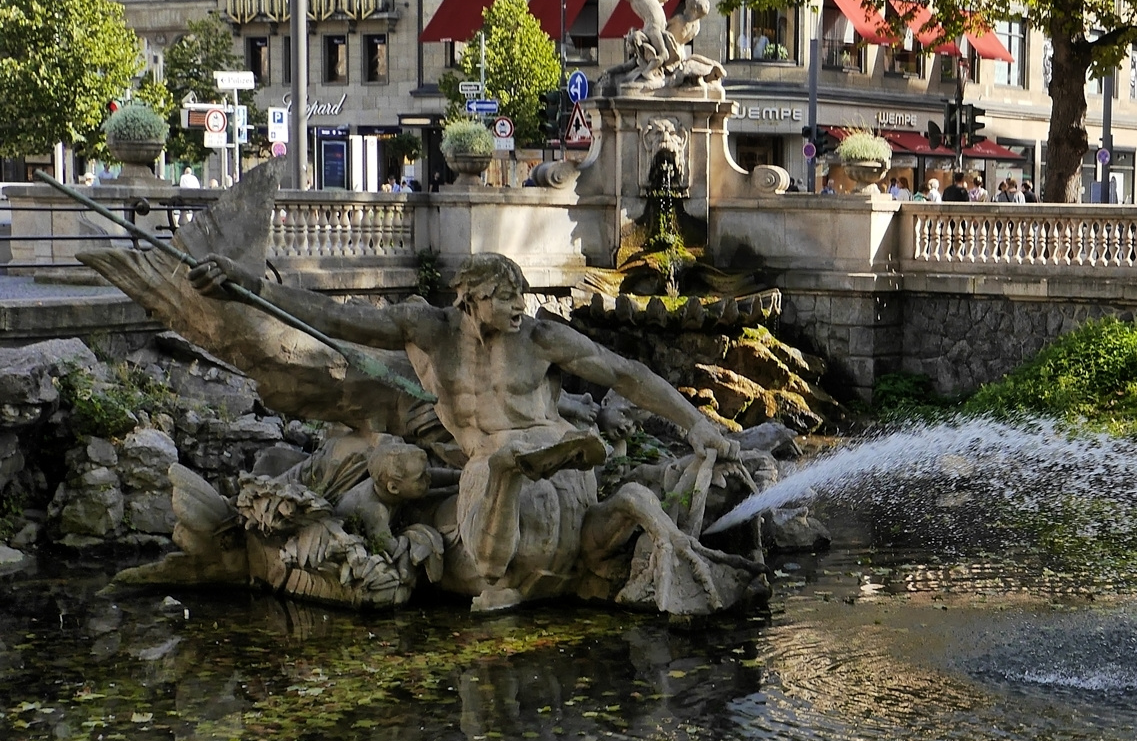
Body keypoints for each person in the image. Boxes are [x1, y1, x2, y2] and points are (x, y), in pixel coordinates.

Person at [188, 251, 743, 613]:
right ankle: (506, 496)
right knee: (486, 513)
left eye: (521, 296)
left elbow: (626, 372)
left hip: (559, 473)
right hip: (485, 465)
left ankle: (539, 488)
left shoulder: (540, 339)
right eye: (506, 298)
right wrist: (243, 286)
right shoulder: (427, 331)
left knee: (503, 490)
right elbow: (332, 320)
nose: (520, 307)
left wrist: (697, 423)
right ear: (473, 298)